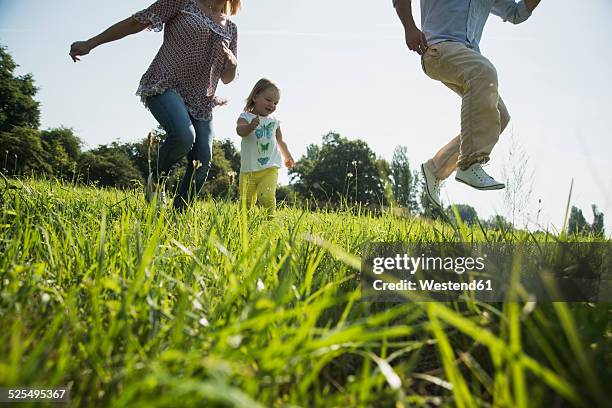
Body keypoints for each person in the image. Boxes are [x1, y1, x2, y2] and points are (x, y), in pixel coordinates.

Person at [69, 0, 240, 211]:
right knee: (184, 137)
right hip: (165, 84)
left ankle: (179, 214)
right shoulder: (182, 3)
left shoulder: (231, 28)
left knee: (203, 159)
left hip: (200, 101)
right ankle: (156, 182)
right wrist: (90, 43)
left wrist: (233, 64)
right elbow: (136, 22)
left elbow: (227, 78)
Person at [393, 0, 542, 208]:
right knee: (483, 71)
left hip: (466, 55)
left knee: (498, 115)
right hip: (437, 48)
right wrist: (409, 27)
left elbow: (517, 13)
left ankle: (436, 168)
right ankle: (471, 161)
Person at [236, 79, 295, 216]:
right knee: (245, 203)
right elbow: (240, 131)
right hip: (248, 170)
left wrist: (288, 156)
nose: (272, 105)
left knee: (266, 197)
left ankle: (269, 222)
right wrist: (250, 126)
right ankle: (244, 228)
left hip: (269, 168)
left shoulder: (274, 121)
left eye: (275, 103)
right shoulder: (245, 117)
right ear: (255, 97)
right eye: (269, 100)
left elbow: (280, 141)